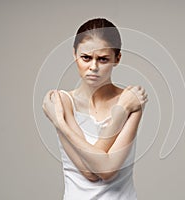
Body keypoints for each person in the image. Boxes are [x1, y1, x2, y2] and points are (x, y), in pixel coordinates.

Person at [42, 18, 148, 200]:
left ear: (117, 59)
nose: (93, 67)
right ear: (74, 54)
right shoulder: (62, 101)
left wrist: (60, 123)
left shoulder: (130, 100)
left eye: (103, 59)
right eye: (86, 58)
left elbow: (106, 170)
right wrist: (121, 113)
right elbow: (89, 172)